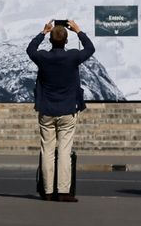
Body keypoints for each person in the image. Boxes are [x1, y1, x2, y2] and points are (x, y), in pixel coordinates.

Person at [25, 19, 94, 201]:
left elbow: (30, 50)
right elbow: (90, 48)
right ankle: (63, 191)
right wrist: (78, 30)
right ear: (66, 41)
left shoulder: (43, 57)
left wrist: (43, 32)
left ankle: (47, 191)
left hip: (46, 109)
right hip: (67, 109)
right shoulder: (72, 56)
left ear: (50, 40)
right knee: (64, 151)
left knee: (47, 151)